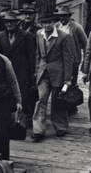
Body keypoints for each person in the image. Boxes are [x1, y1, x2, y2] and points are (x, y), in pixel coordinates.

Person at [31, 11, 73, 141]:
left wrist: (67, 78)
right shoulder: (39, 34)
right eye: (44, 23)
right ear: (41, 24)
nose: (47, 26)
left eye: (49, 23)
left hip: (58, 73)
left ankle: (60, 127)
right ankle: (38, 130)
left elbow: (68, 58)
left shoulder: (63, 36)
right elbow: (38, 54)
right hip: (43, 72)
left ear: (54, 23)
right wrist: (36, 70)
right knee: (41, 99)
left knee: (57, 100)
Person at [0, 11, 36, 127]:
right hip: (6, 72)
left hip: (22, 72)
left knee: (22, 97)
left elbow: (32, 55)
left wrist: (33, 73)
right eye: (7, 22)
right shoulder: (1, 35)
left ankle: (21, 123)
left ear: (16, 23)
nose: (9, 25)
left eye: (11, 22)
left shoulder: (25, 35)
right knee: (7, 96)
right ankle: (9, 122)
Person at [54, 5, 87, 87]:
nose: (62, 18)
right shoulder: (56, 26)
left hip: (72, 60)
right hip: (58, 60)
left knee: (70, 85)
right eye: (60, 16)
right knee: (58, 84)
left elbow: (86, 44)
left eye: (64, 16)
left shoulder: (77, 27)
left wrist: (85, 61)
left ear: (69, 16)